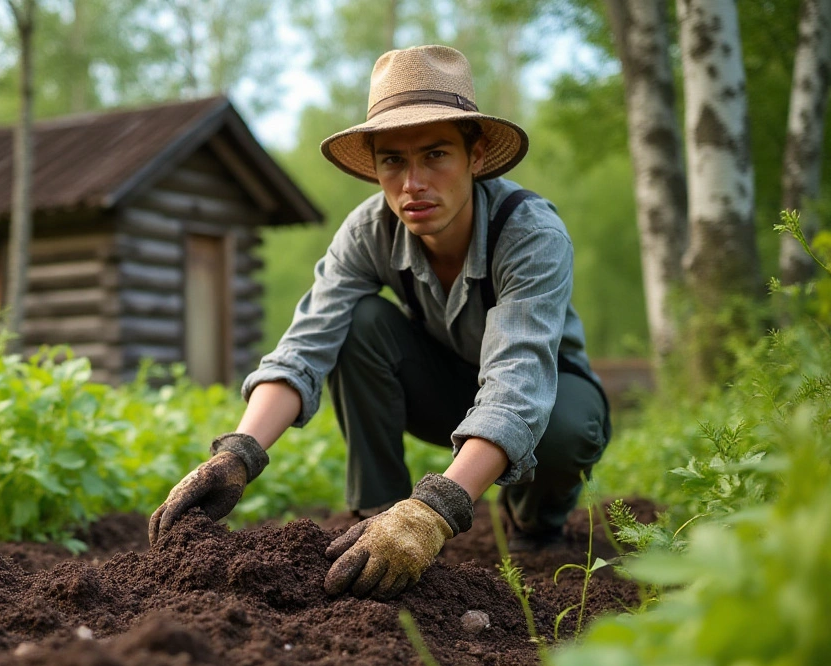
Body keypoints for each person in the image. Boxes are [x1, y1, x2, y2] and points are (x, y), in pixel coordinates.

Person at [148, 45, 611, 601]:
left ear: (476, 154)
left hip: (546, 396)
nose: (413, 183)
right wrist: (237, 454)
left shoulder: (530, 233)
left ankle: (534, 524)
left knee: (568, 431)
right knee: (359, 320)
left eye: (436, 154)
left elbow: (518, 387)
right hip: (442, 392)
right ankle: (377, 517)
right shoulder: (369, 231)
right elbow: (306, 345)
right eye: (393, 160)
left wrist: (435, 512)